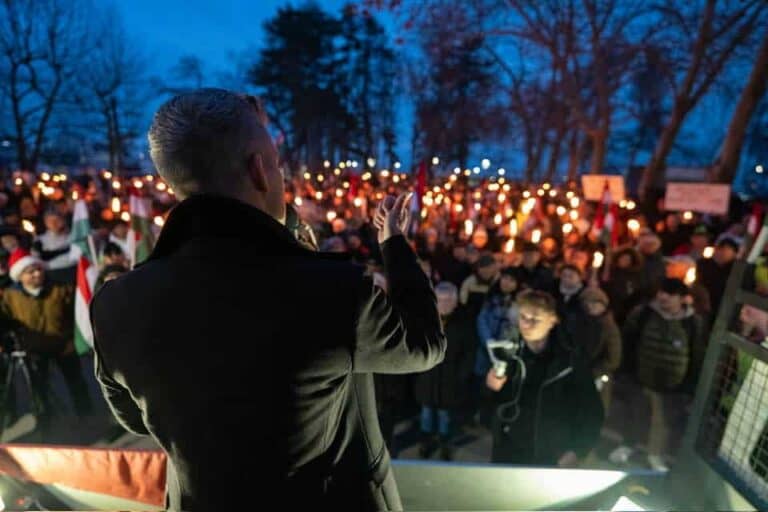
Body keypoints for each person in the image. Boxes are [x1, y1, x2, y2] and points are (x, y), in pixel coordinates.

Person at [90, 89, 445, 511]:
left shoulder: (116, 303)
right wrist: (396, 246)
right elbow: (423, 343)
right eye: (275, 165)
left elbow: (135, 417)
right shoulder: (333, 293)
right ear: (260, 170)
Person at [485, 289, 603, 466]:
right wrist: (491, 388)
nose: (527, 324)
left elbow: (591, 411)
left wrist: (578, 450)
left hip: (551, 454)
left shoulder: (570, 361)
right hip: (509, 452)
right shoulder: (508, 354)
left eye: (535, 319)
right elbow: (490, 408)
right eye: (523, 317)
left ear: (552, 321)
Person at [614, 278, 705, 471]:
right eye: (661, 292)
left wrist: (690, 385)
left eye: (670, 294)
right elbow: (628, 342)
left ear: (682, 299)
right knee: (636, 413)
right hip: (641, 376)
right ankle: (628, 445)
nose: (663, 297)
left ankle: (655, 454)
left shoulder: (693, 323)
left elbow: (697, 354)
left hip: (673, 383)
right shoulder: (643, 314)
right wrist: (626, 372)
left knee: (664, 422)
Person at [1, 248, 92, 427]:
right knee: (39, 389)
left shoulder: (60, 288)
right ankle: (45, 421)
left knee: (76, 382)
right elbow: (5, 320)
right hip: (34, 349)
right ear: (20, 276)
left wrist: (73, 340)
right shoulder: (10, 296)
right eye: (30, 272)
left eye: (39, 269)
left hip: (64, 345)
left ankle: (87, 415)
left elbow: (76, 315)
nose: (36, 274)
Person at [414, 282, 477, 461]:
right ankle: (426, 442)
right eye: (440, 300)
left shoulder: (463, 322)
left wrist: (462, 376)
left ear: (455, 301)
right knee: (426, 414)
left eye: (448, 300)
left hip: (451, 378)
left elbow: (469, 351)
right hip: (428, 377)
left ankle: (444, 444)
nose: (444, 304)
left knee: (445, 416)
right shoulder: (426, 320)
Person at [579, 287, 622, 411]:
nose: (591, 306)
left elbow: (613, 358)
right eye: (587, 303)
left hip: (597, 374)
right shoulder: (583, 322)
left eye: (595, 303)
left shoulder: (609, 327)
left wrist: (595, 369)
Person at [696, 237, 739, 317]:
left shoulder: (735, 270)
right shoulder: (703, 264)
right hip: (703, 304)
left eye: (727, 250)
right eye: (721, 249)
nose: (722, 253)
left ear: (734, 254)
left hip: (724, 307)